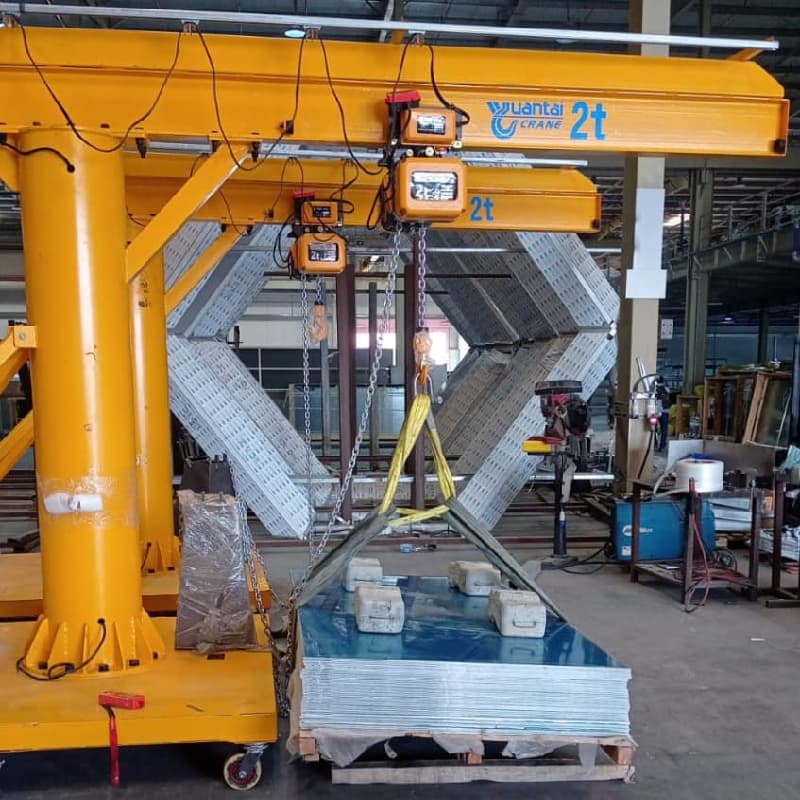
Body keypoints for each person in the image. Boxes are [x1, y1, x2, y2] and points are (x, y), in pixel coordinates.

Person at [655, 376, 672, 452]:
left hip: (654, 411)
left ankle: (654, 444)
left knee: (652, 429)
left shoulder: (653, 388)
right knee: (664, 429)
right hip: (665, 411)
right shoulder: (666, 388)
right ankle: (662, 446)